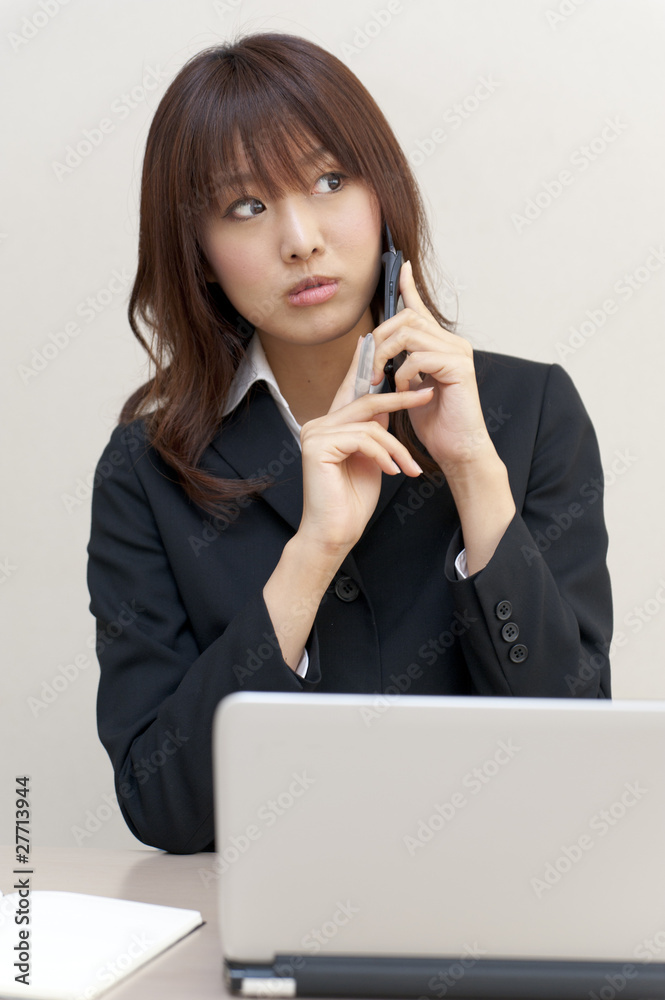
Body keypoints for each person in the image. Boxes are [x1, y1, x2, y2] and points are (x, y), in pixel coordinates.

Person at [87, 32, 613, 855]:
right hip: (269, 931)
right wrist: (312, 552)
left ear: (384, 197)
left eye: (329, 180)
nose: (299, 238)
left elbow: (572, 753)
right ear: (199, 255)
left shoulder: (527, 409)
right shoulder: (147, 469)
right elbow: (163, 807)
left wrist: (475, 473)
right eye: (246, 207)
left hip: (491, 914)